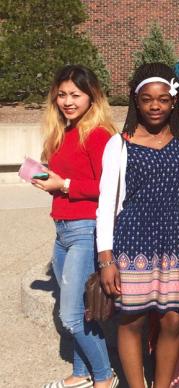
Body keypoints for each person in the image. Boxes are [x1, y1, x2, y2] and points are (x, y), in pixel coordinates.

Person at [97, 63, 179, 388]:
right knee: (133, 320)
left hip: (172, 241)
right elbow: (106, 202)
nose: (155, 106)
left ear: (173, 101)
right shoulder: (119, 144)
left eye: (163, 99)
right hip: (132, 240)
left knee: (172, 321)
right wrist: (106, 258)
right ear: (135, 101)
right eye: (147, 99)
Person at [33, 65, 117, 388]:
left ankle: (104, 376)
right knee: (81, 310)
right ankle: (81, 374)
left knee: (69, 315)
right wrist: (45, 177)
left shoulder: (98, 135)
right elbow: (64, 177)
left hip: (86, 229)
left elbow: (106, 186)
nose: (67, 101)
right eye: (62, 94)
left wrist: (65, 184)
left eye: (75, 95)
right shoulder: (62, 131)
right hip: (62, 230)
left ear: (91, 96)